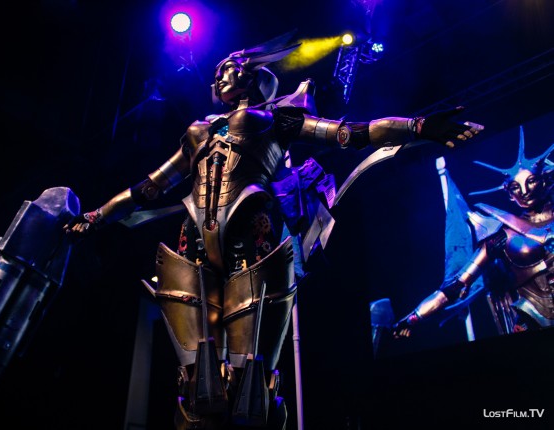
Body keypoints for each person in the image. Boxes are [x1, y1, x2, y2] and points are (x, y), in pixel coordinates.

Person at [64, 30, 483, 429]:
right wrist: (95, 216)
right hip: (193, 244)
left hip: (251, 239)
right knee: (198, 386)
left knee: (250, 387)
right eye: (218, 70)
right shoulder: (198, 132)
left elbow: (354, 133)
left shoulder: (275, 120)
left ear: (251, 75)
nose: (219, 75)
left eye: (229, 68)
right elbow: (148, 188)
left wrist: (419, 126)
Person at [393, 126, 554, 340]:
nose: (524, 191)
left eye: (531, 181)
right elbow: (457, 285)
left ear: (545, 181)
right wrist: (414, 317)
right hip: (535, 320)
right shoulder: (501, 235)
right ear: (509, 194)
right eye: (515, 187)